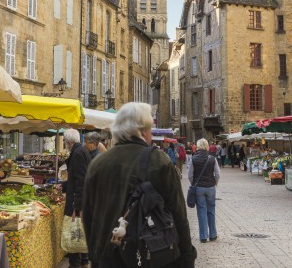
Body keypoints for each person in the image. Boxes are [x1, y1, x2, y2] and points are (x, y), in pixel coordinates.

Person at [83, 102, 196, 267]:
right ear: (143, 131)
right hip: (150, 255)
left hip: (109, 255)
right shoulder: (159, 161)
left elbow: (88, 217)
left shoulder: (98, 164)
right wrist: (187, 256)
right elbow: (178, 214)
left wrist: (95, 257)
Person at [62, 128, 91, 268]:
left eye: (64, 141)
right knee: (80, 231)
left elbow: (81, 181)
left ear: (68, 141)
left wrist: (76, 206)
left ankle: (76, 264)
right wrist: (62, 185)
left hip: (77, 201)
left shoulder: (78, 153)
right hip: (80, 199)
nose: (64, 144)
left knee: (75, 231)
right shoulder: (81, 150)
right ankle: (84, 261)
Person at [189, 138, 220, 243]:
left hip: (199, 188)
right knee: (211, 210)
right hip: (211, 187)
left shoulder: (193, 159)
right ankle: (213, 234)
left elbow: (190, 175)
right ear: (207, 146)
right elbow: (218, 174)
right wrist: (215, 182)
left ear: (197, 146)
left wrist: (194, 184)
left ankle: (203, 236)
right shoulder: (212, 158)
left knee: (201, 211)